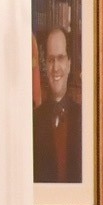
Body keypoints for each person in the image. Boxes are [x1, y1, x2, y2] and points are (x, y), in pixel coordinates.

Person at [32, 13, 82, 187]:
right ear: (45, 65)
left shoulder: (84, 119)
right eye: (51, 60)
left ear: (69, 64)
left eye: (60, 58)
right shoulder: (34, 121)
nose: (55, 68)